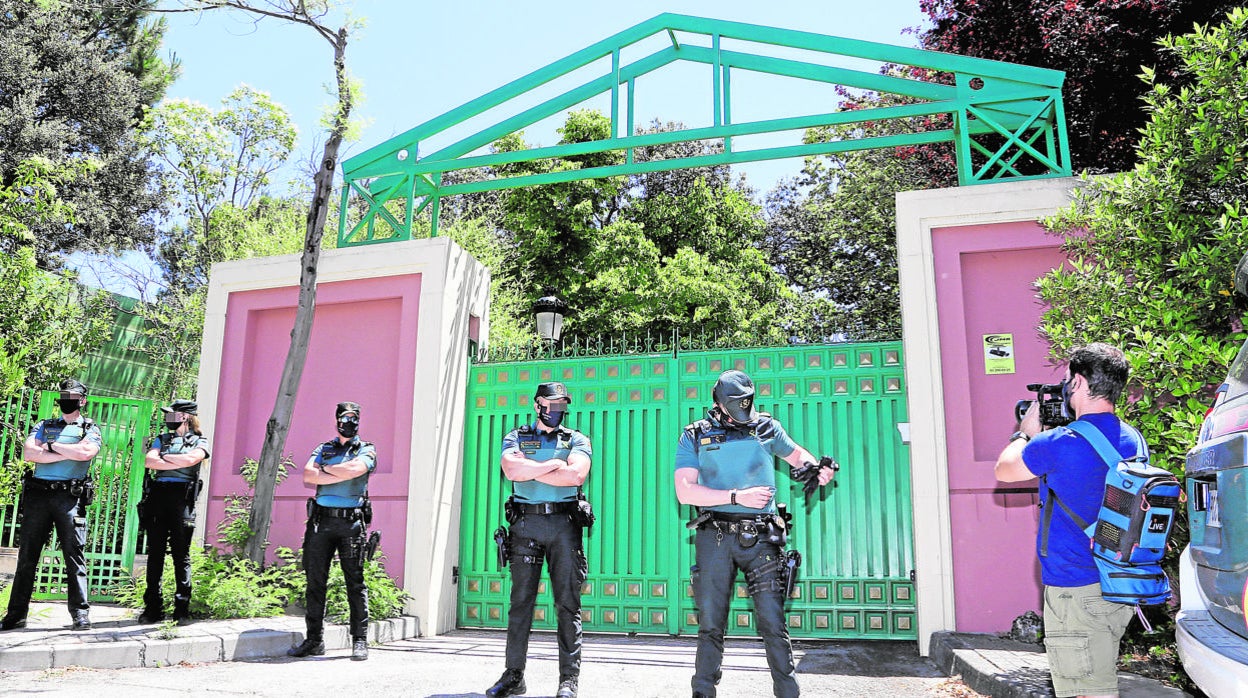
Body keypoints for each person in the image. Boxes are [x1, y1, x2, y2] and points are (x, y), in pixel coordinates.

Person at [674, 370, 837, 698]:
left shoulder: (766, 426)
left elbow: (796, 455)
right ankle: (703, 692)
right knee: (710, 625)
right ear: (718, 404)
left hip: (761, 539)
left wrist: (816, 469)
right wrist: (736, 496)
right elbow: (685, 491)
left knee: (773, 624)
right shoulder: (694, 434)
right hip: (714, 537)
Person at [995, 343, 1141, 698]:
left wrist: (1025, 433)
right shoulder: (1133, 438)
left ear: (1077, 382)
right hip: (1119, 584)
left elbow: (1005, 469)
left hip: (1077, 590)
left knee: (1087, 692)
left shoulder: (1059, 442)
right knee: (1099, 679)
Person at [486, 381, 593, 698]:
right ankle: (514, 676)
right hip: (525, 524)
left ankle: (568, 680)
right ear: (537, 405)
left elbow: (575, 476)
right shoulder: (516, 436)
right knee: (520, 603)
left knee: (567, 604)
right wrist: (551, 464)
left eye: (562, 404)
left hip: (564, 524)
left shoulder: (576, 439)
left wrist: (530, 469)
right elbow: (511, 471)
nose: (558, 410)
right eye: (552, 404)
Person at [1, 379, 102, 631]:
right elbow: (29, 453)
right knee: (27, 557)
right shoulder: (44, 424)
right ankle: (16, 615)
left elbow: (85, 454)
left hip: (69, 497)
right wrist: (67, 450)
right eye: (63, 394)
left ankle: (80, 614)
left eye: (72, 396)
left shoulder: (89, 428)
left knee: (74, 556)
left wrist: (50, 446)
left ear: (82, 400)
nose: (66, 399)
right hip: (39, 496)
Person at [287, 401, 377, 661]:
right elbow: (307, 476)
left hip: (351, 524)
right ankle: (314, 641)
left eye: (354, 417)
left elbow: (356, 469)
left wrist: (324, 471)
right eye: (345, 417)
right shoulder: (323, 448)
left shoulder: (366, 448)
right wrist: (338, 473)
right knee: (315, 582)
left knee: (355, 582)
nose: (349, 422)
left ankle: (360, 641)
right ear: (337, 419)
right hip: (320, 523)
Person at [138, 399, 210, 624]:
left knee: (181, 555)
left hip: (182, 499)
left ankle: (181, 609)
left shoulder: (201, 440)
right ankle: (153, 608)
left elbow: (192, 459)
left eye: (173, 414)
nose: (168, 417)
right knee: (155, 554)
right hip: (158, 497)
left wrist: (165, 459)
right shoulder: (162, 438)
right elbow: (150, 461)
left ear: (185, 417)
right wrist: (175, 462)